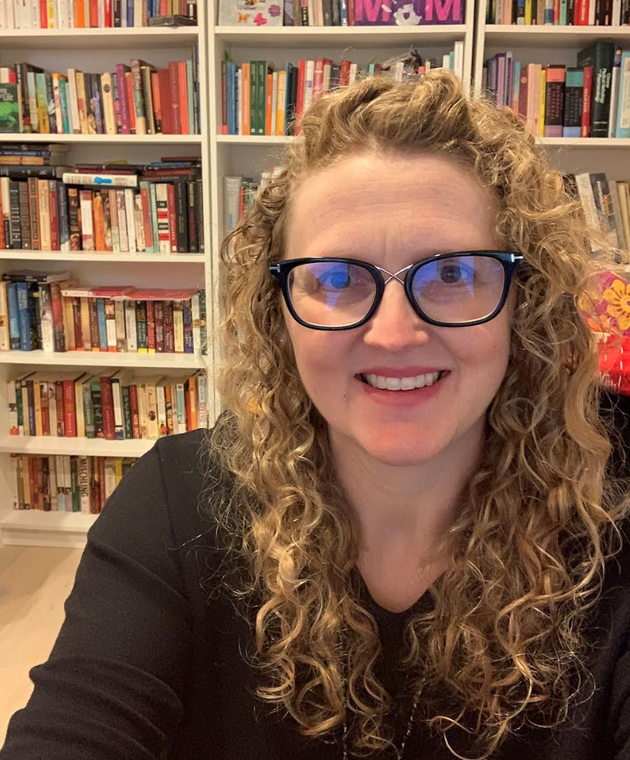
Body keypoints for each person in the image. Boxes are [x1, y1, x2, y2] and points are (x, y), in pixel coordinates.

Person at [2, 71, 630, 760]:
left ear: (522, 301)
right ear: (281, 317)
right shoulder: (176, 507)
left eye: (452, 274)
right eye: (336, 278)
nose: (394, 335)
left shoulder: (614, 516)